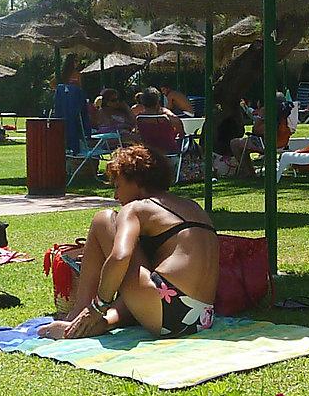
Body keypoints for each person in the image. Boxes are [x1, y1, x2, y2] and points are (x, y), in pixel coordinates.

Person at [44, 143, 218, 340]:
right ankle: (108, 321)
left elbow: (120, 257)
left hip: (167, 308)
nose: (116, 195)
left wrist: (98, 305)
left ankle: (78, 315)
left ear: (136, 180)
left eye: (118, 186)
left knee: (104, 219)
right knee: (146, 271)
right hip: (202, 317)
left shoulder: (138, 208)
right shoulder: (191, 205)